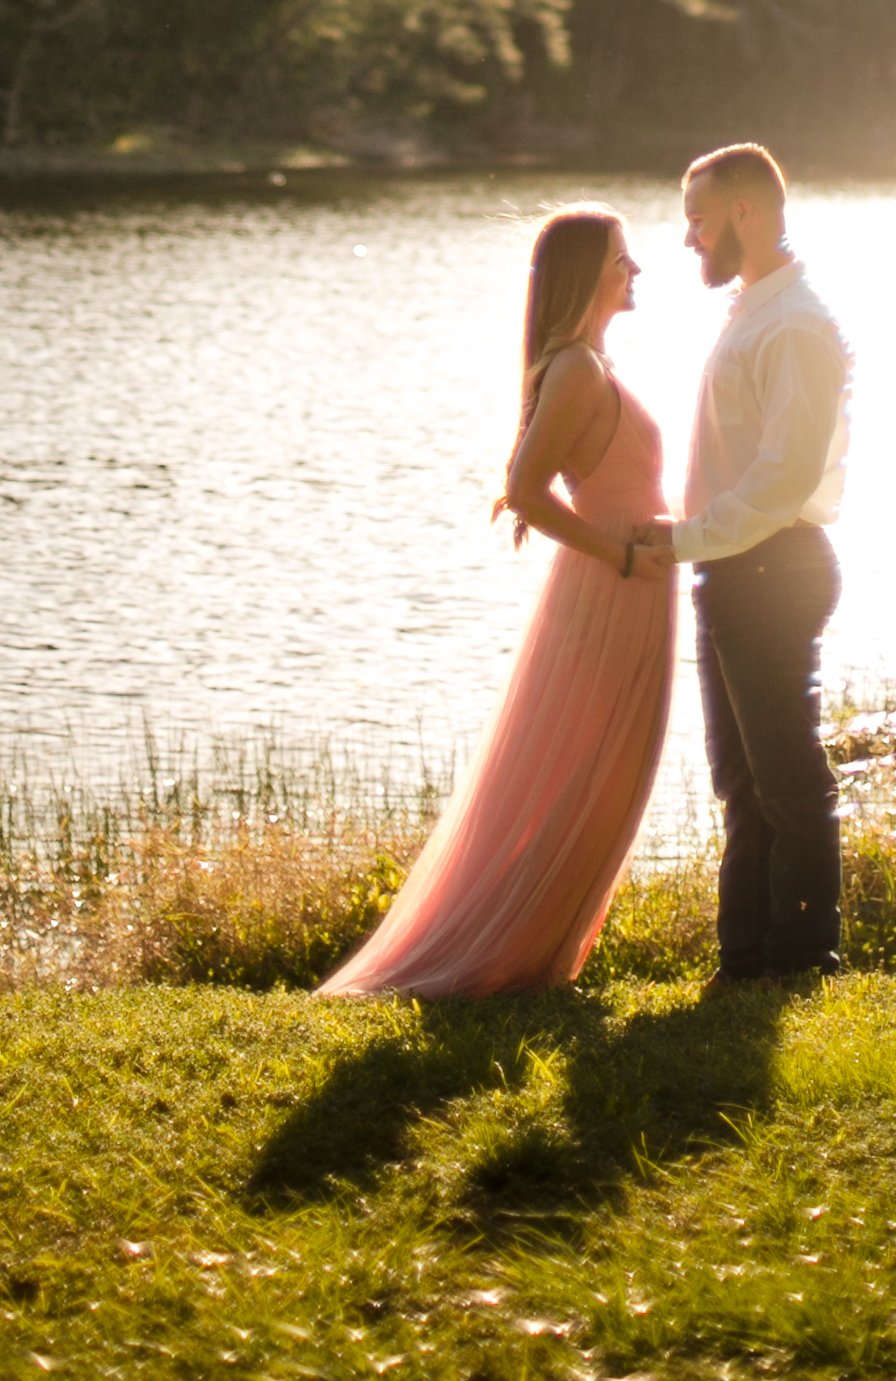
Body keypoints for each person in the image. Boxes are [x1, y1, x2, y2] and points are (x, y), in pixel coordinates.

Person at [317, 207, 674, 998]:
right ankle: (507, 956)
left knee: (612, 772)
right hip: (609, 586)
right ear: (588, 275)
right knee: (595, 773)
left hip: (635, 584)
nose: (636, 270)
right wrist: (619, 554)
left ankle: (542, 958)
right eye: (623, 259)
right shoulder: (577, 369)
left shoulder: (594, 365)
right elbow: (523, 490)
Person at [637, 142, 851, 990]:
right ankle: (745, 961)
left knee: (786, 776)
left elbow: (782, 478)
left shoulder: (792, 324)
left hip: (770, 565)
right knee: (741, 779)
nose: (687, 237)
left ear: (743, 214)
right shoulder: (753, 311)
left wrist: (681, 538)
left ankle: (802, 957)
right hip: (738, 567)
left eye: (696, 218)